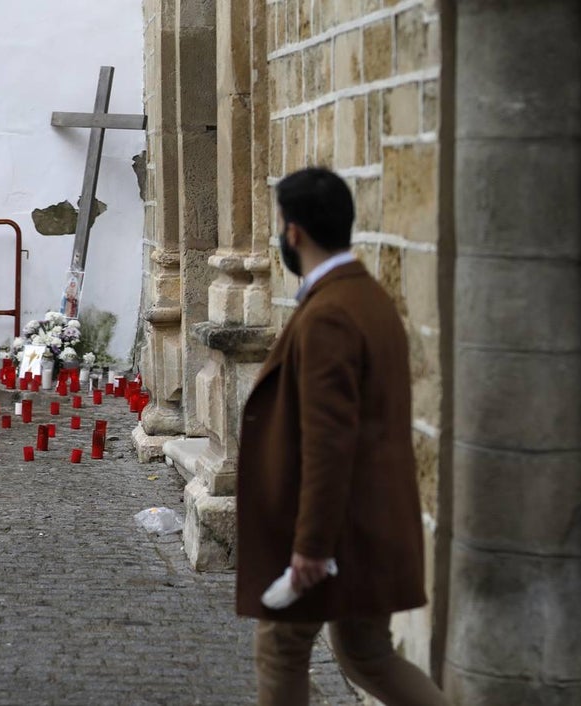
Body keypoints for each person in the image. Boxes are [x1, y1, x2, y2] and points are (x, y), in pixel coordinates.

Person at [235, 167, 449, 706]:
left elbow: (327, 441)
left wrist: (309, 546)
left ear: (294, 232)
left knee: (281, 650)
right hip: (368, 527)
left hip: (338, 533)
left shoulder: (330, 313)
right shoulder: (366, 297)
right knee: (366, 653)